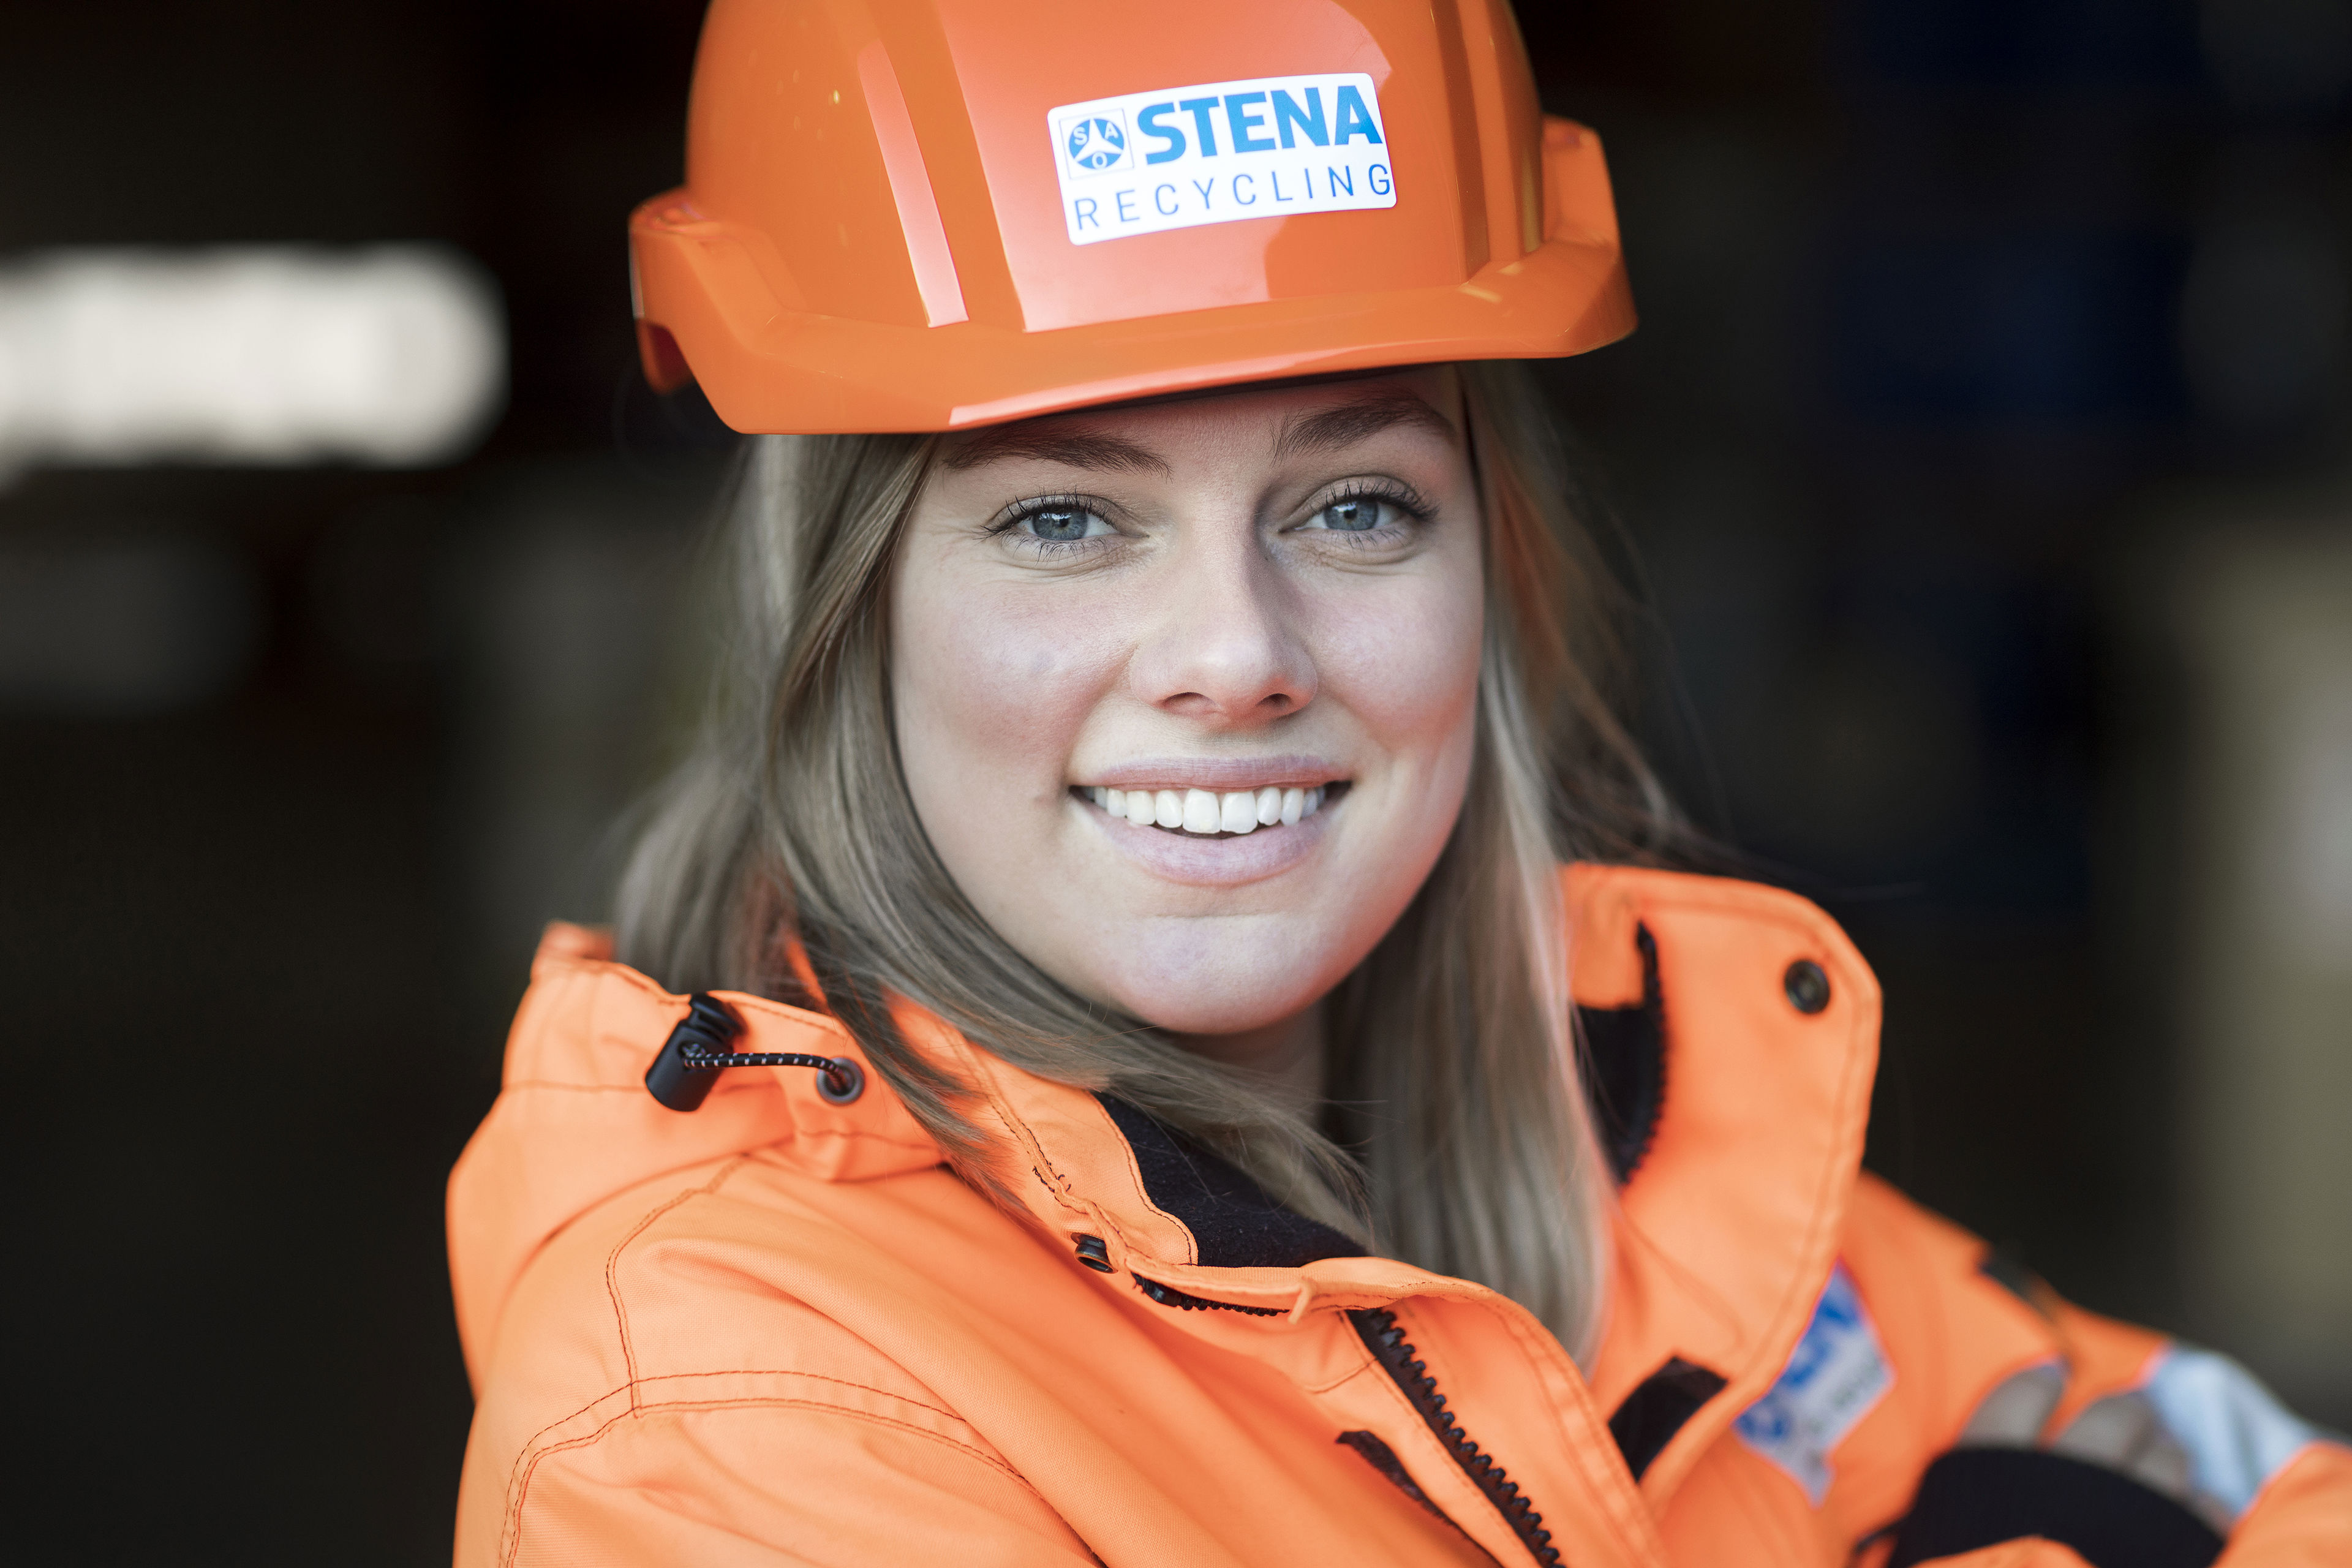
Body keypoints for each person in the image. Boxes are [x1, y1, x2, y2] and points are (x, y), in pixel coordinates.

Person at [445, 2, 2352, 1564]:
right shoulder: (727, 1407)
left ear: (1491, 578)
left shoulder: (1651, 1143)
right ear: (848, 623)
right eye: (1063, 519)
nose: (1237, 650)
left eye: (1354, 506)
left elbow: (2271, 1492)